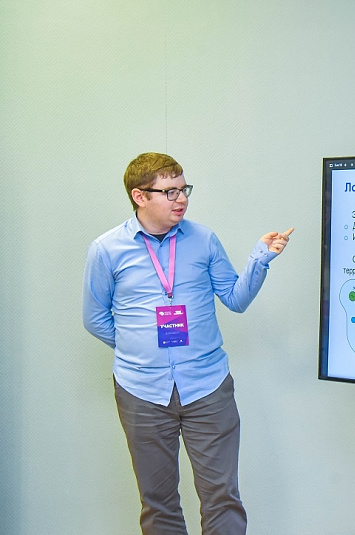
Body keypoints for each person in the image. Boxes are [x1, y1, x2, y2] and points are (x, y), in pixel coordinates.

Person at [83, 152, 293, 534]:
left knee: (222, 497)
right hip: (141, 392)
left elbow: (235, 299)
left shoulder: (203, 239)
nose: (181, 199)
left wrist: (260, 259)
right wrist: (138, 350)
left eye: (184, 189)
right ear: (139, 196)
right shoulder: (106, 249)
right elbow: (95, 318)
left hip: (208, 386)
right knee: (158, 503)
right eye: (170, 192)